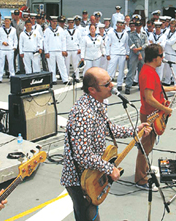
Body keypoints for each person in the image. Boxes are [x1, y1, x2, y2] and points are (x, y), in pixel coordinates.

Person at [61, 67, 151, 220]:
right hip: (80, 179)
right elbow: (82, 155)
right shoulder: (83, 114)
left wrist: (135, 130)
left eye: (111, 81)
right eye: (107, 84)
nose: (112, 86)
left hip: (92, 172)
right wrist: (109, 168)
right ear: (92, 89)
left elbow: (109, 128)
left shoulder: (98, 104)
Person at [135, 44, 175, 189]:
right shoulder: (149, 73)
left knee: (148, 145)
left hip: (151, 113)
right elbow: (149, 98)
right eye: (161, 56)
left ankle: (144, 170)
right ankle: (141, 179)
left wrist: (173, 88)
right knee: (145, 147)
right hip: (150, 115)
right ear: (155, 57)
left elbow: (156, 88)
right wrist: (165, 109)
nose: (162, 59)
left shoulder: (149, 71)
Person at [44, 16, 69, 84]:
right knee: (51, 66)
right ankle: (53, 79)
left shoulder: (60, 30)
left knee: (62, 66)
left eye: (55, 21)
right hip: (51, 51)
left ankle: (65, 79)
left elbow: (63, 40)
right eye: (53, 21)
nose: (54, 23)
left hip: (59, 51)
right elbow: (45, 42)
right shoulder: (47, 30)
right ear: (50, 22)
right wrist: (46, 52)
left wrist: (64, 50)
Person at [125, 21, 147, 94]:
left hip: (143, 54)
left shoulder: (144, 34)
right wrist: (138, 53)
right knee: (131, 71)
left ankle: (141, 86)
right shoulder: (131, 34)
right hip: (134, 55)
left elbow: (146, 44)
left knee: (142, 71)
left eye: (139, 26)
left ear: (141, 26)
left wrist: (140, 49)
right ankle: (128, 86)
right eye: (136, 26)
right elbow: (131, 45)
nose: (138, 27)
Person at [106, 20, 129, 91]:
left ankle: (119, 84)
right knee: (111, 68)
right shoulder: (111, 33)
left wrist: (127, 53)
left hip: (122, 53)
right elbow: (107, 44)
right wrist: (107, 54)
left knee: (121, 70)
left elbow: (127, 44)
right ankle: (108, 82)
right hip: (113, 52)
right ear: (116, 25)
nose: (120, 26)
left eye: (121, 24)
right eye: (118, 24)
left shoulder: (125, 33)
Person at [0, 16, 17, 84]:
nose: (7, 22)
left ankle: (12, 76)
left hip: (10, 49)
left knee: (11, 64)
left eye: (8, 21)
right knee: (1, 64)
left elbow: (15, 39)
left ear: (10, 21)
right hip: (2, 49)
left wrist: (14, 47)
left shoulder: (13, 29)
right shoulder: (0, 29)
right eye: (6, 21)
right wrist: (2, 42)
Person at [162, 19, 176, 85]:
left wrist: (165, 41)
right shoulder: (167, 31)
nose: (171, 27)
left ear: (175, 26)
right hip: (167, 51)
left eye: (173, 26)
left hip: (173, 53)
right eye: (170, 26)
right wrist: (166, 40)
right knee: (167, 68)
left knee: (174, 68)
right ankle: (167, 81)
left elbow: (171, 42)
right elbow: (163, 37)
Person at [65, 18, 82, 82]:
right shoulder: (65, 31)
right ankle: (67, 77)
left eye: (72, 22)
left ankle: (77, 77)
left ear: (73, 23)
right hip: (68, 49)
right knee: (67, 64)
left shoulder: (77, 31)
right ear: (67, 23)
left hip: (75, 49)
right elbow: (64, 41)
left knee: (76, 64)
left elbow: (80, 40)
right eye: (69, 22)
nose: (71, 24)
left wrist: (79, 48)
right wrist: (64, 50)